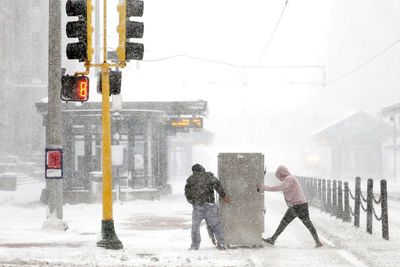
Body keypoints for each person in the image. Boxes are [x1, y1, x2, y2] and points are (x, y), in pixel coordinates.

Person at [257, 165, 323, 248]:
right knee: (307, 224)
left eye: (279, 176)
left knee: (285, 223)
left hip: (297, 206)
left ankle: (273, 239)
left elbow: (279, 187)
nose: (279, 178)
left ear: (282, 173)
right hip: (300, 205)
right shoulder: (290, 178)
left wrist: (264, 187)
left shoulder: (289, 179)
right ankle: (318, 242)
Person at [184, 164, 230, 250]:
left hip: (198, 207)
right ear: (202, 169)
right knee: (216, 225)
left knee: (195, 226)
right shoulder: (209, 176)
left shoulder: (190, 179)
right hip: (210, 205)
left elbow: (187, 193)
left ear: (194, 171)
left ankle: (195, 245)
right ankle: (221, 243)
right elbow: (217, 186)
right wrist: (223, 196)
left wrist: (193, 202)